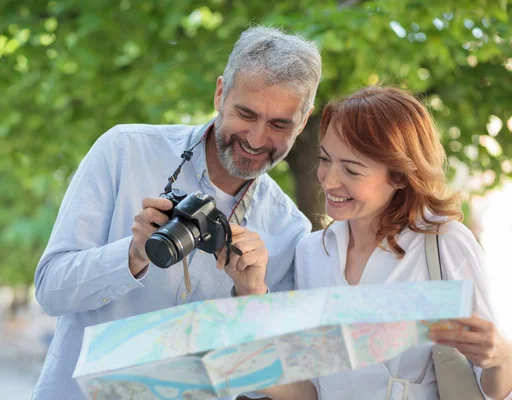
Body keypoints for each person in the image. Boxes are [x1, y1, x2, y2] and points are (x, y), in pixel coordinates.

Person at [31, 26, 322, 399]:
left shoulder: (291, 231)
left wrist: (252, 297)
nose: (255, 138)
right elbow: (50, 291)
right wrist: (131, 255)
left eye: (280, 124)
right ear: (220, 93)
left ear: (304, 120)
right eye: (245, 114)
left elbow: (266, 383)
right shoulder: (124, 151)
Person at [263, 86, 512, 400]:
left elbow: (495, 389)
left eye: (352, 169)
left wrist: (501, 358)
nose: (328, 180)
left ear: (400, 176)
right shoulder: (312, 252)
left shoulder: (442, 243)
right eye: (325, 159)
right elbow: (314, 390)